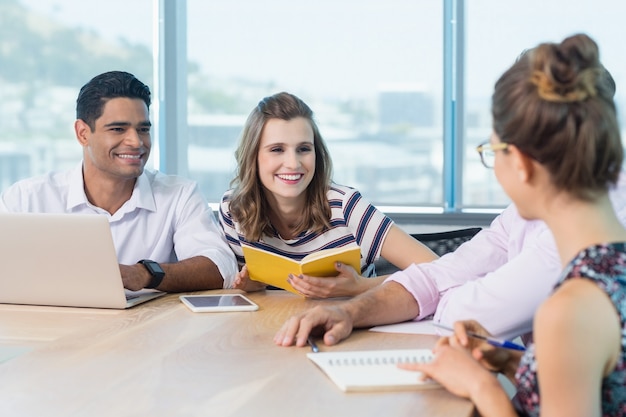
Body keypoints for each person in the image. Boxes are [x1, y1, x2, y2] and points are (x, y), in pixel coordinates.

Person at [288, 34, 626, 415]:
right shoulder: (605, 271)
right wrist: (513, 363)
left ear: (522, 163)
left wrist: (481, 385)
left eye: (491, 150)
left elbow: (456, 306)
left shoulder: (570, 309)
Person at [0, 71, 238, 292]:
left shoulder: (179, 195)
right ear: (83, 133)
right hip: (46, 330)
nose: (136, 141)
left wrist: (145, 273)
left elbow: (221, 267)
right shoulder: (26, 198)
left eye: (143, 129)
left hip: (146, 331)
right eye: (117, 129)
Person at [219, 92, 438, 296]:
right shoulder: (234, 209)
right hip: (275, 329)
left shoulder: (346, 206)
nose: (293, 163)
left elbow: (438, 271)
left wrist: (360, 287)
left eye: (304, 149)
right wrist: (252, 286)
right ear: (253, 156)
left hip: (357, 327)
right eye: (277, 149)